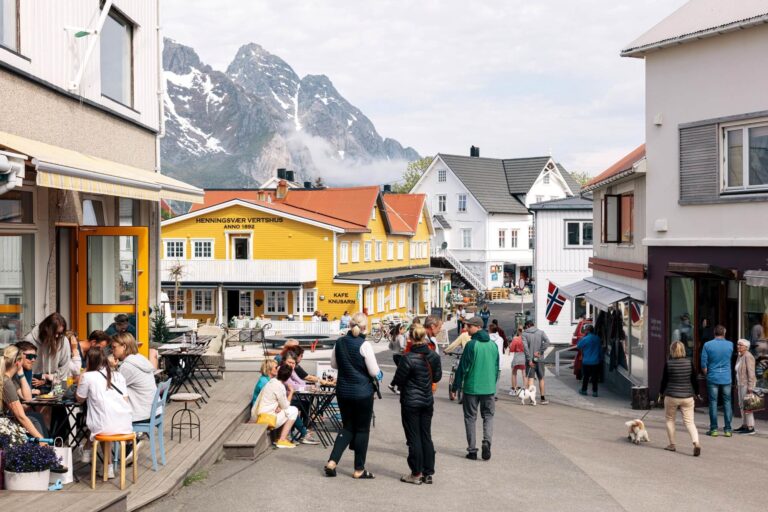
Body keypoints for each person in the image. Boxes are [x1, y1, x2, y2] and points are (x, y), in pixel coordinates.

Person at [325, 312, 381, 479]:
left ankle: (332, 462)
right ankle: (359, 469)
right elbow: (373, 371)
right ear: (365, 327)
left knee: (347, 427)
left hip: (343, 391)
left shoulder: (339, 342)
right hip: (363, 392)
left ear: (349, 325)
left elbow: (334, 364)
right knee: (362, 430)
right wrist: (379, 375)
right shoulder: (365, 345)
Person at [391, 325, 442, 485]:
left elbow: (398, 379)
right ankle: (428, 472)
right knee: (426, 434)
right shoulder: (433, 356)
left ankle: (416, 473)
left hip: (410, 401)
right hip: (427, 400)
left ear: (412, 338)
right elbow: (437, 377)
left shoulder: (408, 357)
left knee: (414, 437)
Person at [76, 346, 133, 477]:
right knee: (104, 418)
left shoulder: (88, 376)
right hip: (125, 424)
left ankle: (87, 450)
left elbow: (79, 399)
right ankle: (107, 466)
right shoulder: (118, 375)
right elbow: (125, 399)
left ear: (89, 361)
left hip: (104, 425)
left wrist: (83, 374)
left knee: (101, 422)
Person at [450, 316, 499, 461]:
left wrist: (456, 386)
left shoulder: (472, 345)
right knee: (488, 416)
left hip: (472, 388)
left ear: (477, 327)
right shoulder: (493, 345)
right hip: (489, 388)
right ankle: (487, 442)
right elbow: (496, 368)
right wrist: (492, 382)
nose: (466, 329)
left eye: (469, 326)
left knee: (470, 418)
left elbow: (463, 368)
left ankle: (472, 450)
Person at [660, 341, 701, 456]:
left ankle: (672, 445)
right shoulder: (689, 362)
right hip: (687, 396)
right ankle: (696, 442)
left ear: (671, 350)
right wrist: (697, 393)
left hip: (671, 395)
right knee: (689, 422)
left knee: (670, 419)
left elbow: (664, 381)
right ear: (683, 350)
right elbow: (694, 380)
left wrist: (660, 393)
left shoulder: (669, 363)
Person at [111, 333, 157, 424]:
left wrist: (111, 368)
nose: (112, 351)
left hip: (140, 414)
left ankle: (115, 437)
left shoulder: (128, 366)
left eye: (114, 347)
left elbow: (111, 388)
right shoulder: (140, 359)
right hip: (151, 410)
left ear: (124, 347)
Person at [1, 345, 46, 438]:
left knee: (35, 418)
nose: (33, 360)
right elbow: (21, 416)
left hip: (5, 420)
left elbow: (27, 399)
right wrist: (42, 440)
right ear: (18, 363)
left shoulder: (7, 378)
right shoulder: (6, 382)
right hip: (3, 425)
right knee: (34, 421)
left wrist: (21, 373)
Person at [253, 364, 300, 449]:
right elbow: (285, 405)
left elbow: (277, 401)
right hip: (268, 417)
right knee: (293, 410)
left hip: (262, 414)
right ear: (288, 377)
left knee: (287, 410)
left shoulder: (271, 382)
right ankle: (282, 439)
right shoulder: (279, 386)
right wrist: (291, 392)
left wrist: (279, 406)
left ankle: (279, 437)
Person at [701, 325, 734, 437]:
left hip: (713, 376)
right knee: (727, 402)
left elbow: (703, 364)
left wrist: (707, 374)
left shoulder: (707, 345)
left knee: (713, 403)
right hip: (726, 377)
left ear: (714, 333)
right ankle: (728, 429)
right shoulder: (730, 344)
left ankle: (714, 429)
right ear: (724, 333)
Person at [24, 312, 72, 383]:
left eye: (60, 333)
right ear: (46, 329)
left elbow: (64, 366)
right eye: (55, 333)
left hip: (55, 382)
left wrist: (49, 378)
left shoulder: (63, 340)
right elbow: (23, 367)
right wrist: (40, 377)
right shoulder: (29, 340)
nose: (57, 336)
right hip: (33, 383)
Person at [522, 320, 551, 404]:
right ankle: (542, 398)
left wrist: (529, 360)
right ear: (533, 325)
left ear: (527, 326)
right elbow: (547, 342)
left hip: (530, 360)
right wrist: (540, 351)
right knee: (541, 378)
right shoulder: (541, 332)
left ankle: (532, 399)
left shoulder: (524, 334)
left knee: (531, 379)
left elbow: (525, 348)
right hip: (540, 359)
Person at [734, 339, 757, 435]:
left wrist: (750, 387)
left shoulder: (748, 356)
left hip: (747, 384)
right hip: (740, 384)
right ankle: (744, 425)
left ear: (746, 347)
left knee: (748, 406)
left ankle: (751, 427)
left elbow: (751, 373)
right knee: (741, 405)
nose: (738, 346)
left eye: (741, 345)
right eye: (738, 344)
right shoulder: (740, 356)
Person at [576, 325, 601, 397]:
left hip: (586, 361)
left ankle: (584, 390)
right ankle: (595, 392)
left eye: (585, 330)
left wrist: (583, 338)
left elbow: (578, 346)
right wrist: (600, 358)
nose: (585, 331)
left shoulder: (585, 339)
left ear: (588, 331)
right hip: (595, 361)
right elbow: (600, 349)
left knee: (586, 377)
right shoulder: (597, 338)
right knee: (595, 377)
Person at [508, 327, 526, 395]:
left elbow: (512, 349)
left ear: (518, 331)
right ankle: (525, 390)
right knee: (524, 374)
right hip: (524, 358)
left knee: (514, 373)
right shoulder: (526, 339)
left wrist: (510, 344)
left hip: (517, 358)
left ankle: (514, 390)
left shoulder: (516, 339)